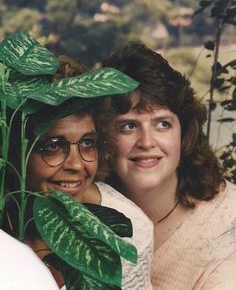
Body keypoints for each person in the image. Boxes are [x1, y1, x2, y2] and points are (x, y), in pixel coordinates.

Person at [3, 55, 153, 289]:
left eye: (87, 143)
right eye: (52, 146)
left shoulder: (129, 235)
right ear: (14, 151)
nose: (76, 164)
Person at [102, 42, 236, 289]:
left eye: (162, 123)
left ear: (184, 133)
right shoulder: (88, 211)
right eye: (128, 126)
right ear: (104, 138)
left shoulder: (227, 218)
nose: (146, 141)